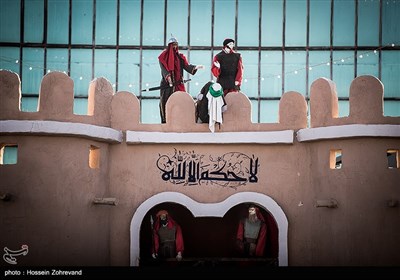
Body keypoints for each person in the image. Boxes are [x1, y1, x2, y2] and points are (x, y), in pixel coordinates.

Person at [158, 36, 204, 123]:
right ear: (169, 46)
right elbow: (164, 70)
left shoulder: (180, 57)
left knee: (182, 101)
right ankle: (166, 121)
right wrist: (169, 79)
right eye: (173, 45)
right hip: (167, 85)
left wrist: (195, 67)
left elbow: (187, 66)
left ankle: (182, 120)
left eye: (176, 45)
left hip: (179, 84)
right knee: (166, 103)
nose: (175, 47)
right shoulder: (163, 57)